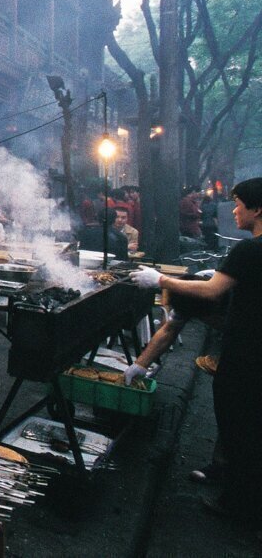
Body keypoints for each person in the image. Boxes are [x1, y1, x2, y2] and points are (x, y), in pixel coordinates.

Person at [130, 177, 262, 525]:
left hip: (246, 354)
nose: (233, 210)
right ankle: (228, 475)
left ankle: (238, 502)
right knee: (247, 424)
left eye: (238, 203)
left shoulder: (249, 250)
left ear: (257, 208)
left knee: (239, 425)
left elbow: (211, 293)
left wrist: (159, 280)